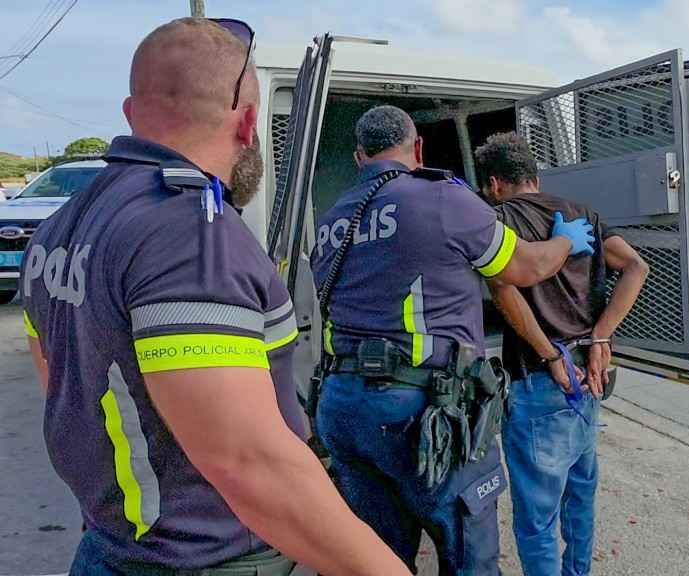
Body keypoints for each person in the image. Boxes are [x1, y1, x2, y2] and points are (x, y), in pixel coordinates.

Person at [21, 18, 410, 576]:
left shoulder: (60, 228)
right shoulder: (189, 235)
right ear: (249, 121)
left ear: (130, 113)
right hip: (204, 555)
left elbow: (61, 380)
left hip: (114, 545)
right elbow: (249, 464)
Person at [311, 105, 596, 575]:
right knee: (470, 560)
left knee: (377, 560)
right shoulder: (441, 198)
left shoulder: (332, 219)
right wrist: (565, 241)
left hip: (342, 410)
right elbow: (526, 267)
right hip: (421, 416)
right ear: (419, 148)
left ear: (359, 158)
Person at [475, 132, 649, 576]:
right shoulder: (580, 213)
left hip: (540, 380)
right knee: (580, 499)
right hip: (589, 378)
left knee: (537, 519)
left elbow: (502, 288)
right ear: (533, 175)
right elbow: (636, 266)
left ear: (494, 183)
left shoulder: (499, 220)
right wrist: (600, 338)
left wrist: (549, 354)